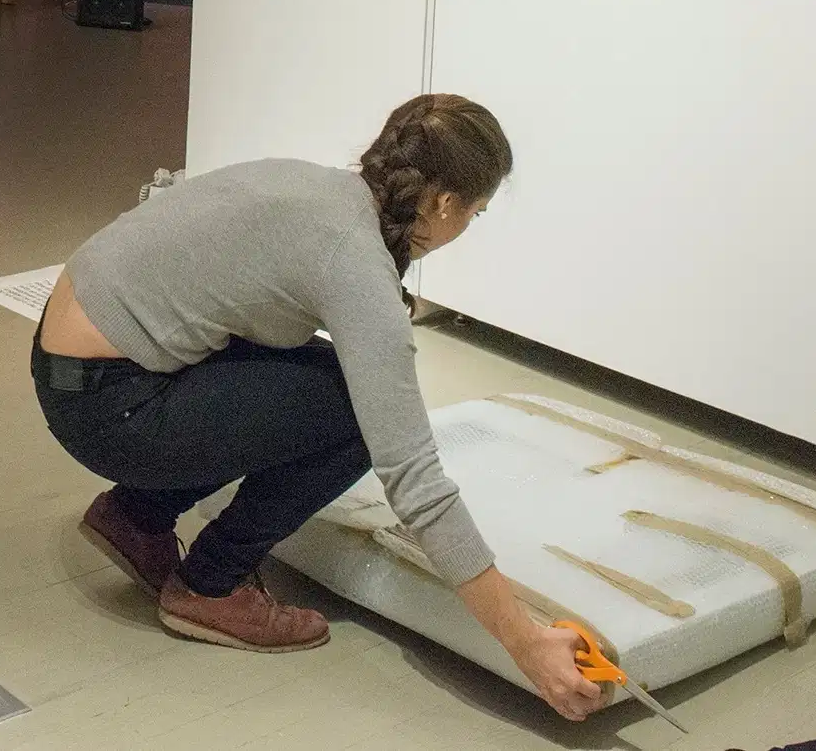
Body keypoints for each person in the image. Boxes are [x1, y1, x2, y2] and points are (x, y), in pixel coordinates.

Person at [31, 94, 603, 719]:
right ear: (443, 204)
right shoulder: (351, 261)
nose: (469, 225)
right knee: (352, 412)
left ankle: (136, 517)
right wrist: (526, 642)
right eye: (477, 210)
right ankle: (208, 586)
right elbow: (415, 480)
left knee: (317, 378)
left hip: (69, 364)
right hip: (113, 410)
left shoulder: (313, 188)